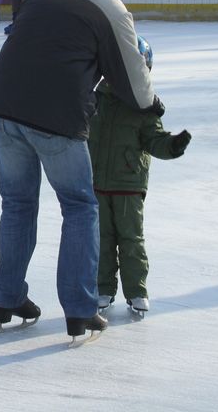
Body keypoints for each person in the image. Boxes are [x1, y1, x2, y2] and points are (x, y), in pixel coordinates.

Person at [0, 0, 166, 340]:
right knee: (81, 206)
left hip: (2, 103)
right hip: (56, 116)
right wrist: (154, 105)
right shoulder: (111, 7)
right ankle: (81, 308)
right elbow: (135, 86)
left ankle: (8, 296)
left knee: (16, 204)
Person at [88, 36, 192, 316]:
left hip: (128, 184)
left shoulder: (144, 107)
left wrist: (172, 145)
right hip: (96, 182)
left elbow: (154, 140)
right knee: (102, 239)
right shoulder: (94, 99)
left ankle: (136, 291)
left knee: (131, 239)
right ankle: (103, 289)